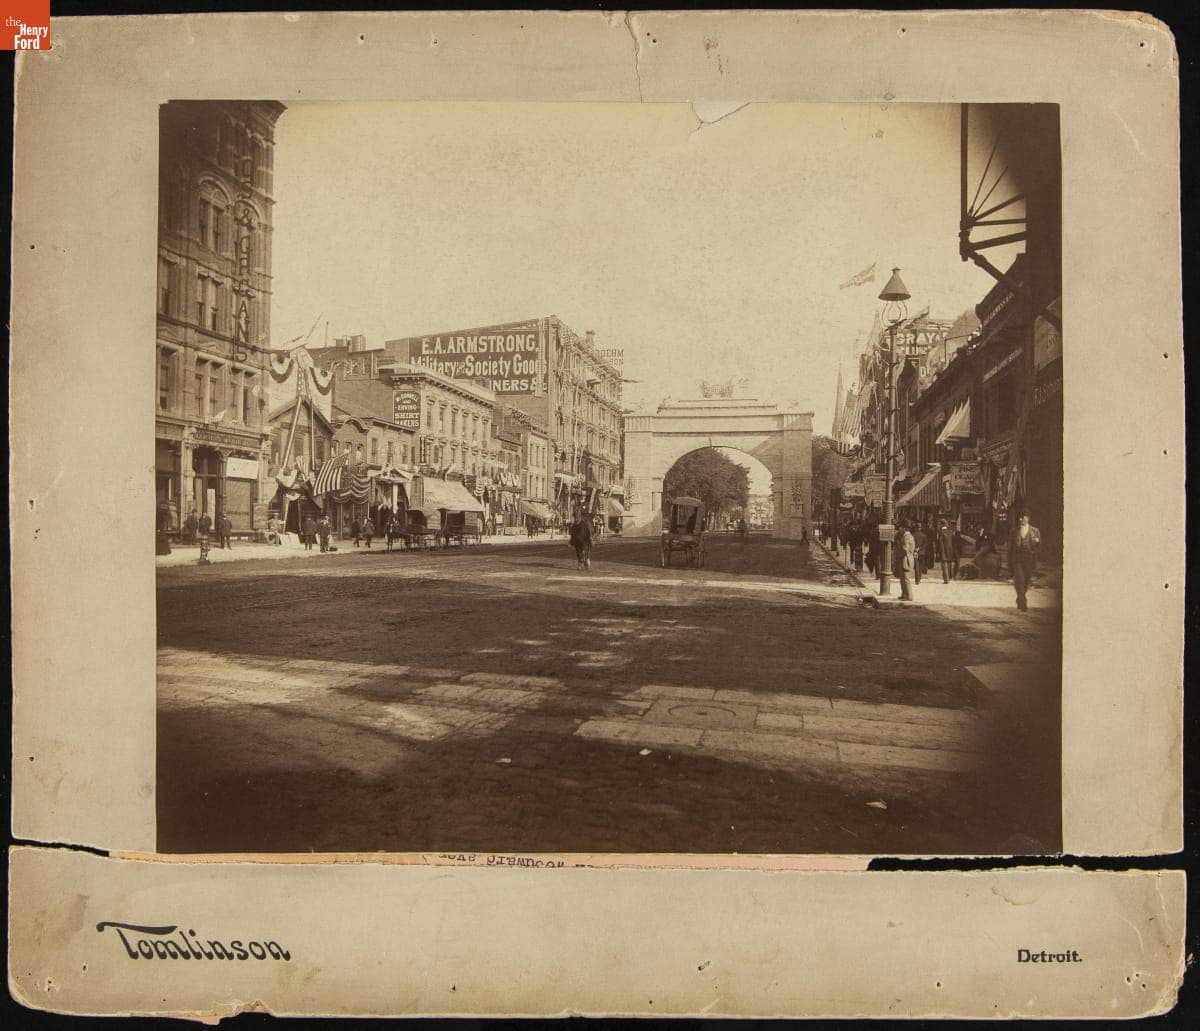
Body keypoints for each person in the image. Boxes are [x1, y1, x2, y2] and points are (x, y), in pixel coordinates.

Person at [1007, 510, 1042, 611]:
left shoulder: (1035, 531)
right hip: (1017, 559)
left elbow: (1039, 546)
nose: (1021, 519)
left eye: (1023, 517)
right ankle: (1023, 602)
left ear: (1028, 518)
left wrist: (1035, 552)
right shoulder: (1014, 531)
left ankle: (1020, 598)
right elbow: (1010, 548)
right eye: (1020, 518)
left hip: (1029, 560)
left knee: (1026, 581)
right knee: (1019, 580)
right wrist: (1009, 562)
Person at [897, 520, 916, 601]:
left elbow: (905, 549)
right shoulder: (909, 536)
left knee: (906, 578)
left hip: (905, 559)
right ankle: (904, 594)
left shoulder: (906, 537)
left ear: (904, 528)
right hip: (906, 559)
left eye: (901, 528)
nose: (900, 529)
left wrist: (899, 555)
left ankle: (909, 596)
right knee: (903, 578)